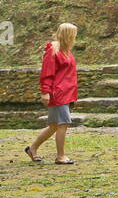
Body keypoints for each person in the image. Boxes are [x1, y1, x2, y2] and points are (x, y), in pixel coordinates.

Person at [26, 22, 79, 165]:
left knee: (54, 126)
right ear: (67, 34)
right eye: (73, 34)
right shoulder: (53, 50)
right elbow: (47, 72)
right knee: (63, 124)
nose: (75, 37)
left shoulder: (66, 50)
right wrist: (45, 92)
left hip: (66, 93)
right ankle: (61, 156)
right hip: (58, 93)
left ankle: (32, 148)